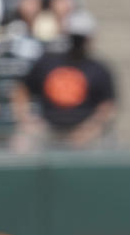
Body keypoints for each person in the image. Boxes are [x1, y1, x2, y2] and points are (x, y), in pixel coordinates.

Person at [10, 9, 116, 151]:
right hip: (49, 129)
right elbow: (21, 90)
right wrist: (27, 120)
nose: (77, 43)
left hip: (85, 130)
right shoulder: (47, 62)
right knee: (22, 142)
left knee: (104, 143)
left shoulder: (99, 69)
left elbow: (108, 105)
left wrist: (90, 129)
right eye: (74, 38)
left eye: (80, 38)